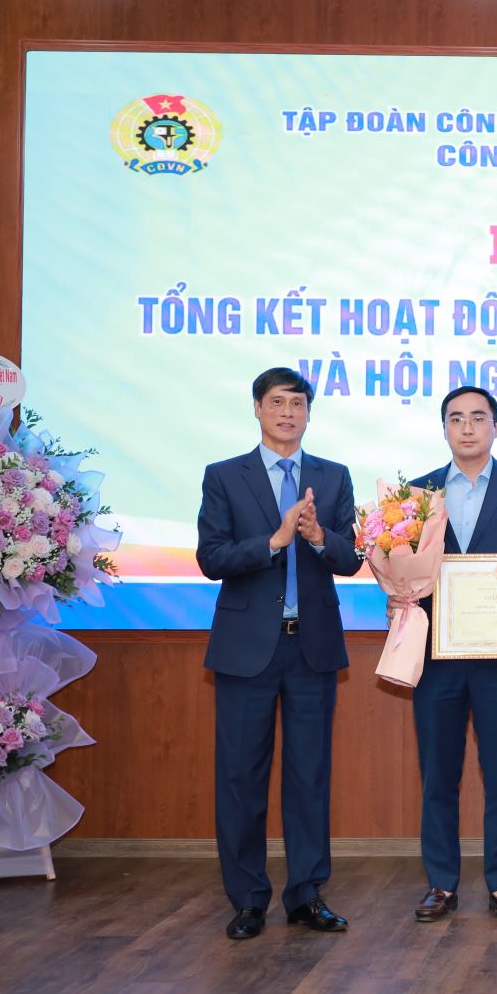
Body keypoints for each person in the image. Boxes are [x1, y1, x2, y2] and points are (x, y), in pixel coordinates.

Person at [195, 367, 362, 940]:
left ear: (309, 413)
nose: (287, 413)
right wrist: (274, 541)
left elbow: (351, 558)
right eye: (276, 402)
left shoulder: (333, 477)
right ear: (258, 409)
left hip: (311, 647)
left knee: (309, 776)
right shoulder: (224, 476)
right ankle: (247, 899)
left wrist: (317, 536)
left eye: (297, 403)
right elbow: (211, 557)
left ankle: (306, 895)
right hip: (247, 650)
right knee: (241, 776)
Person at [399, 386, 497, 923]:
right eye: (456, 418)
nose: (467, 427)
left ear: (495, 427)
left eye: (478, 418)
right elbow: (401, 567)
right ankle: (440, 883)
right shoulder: (416, 495)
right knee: (438, 774)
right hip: (435, 657)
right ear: (444, 429)